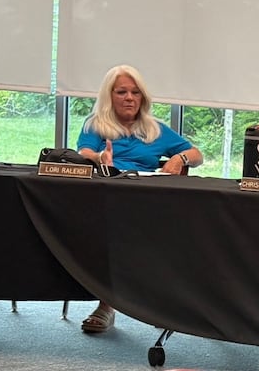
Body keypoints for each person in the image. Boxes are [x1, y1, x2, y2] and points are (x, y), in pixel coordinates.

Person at [76, 64, 203, 333]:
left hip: (147, 200)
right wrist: (100, 158)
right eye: (121, 92)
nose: (129, 98)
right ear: (109, 95)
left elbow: (197, 154)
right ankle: (107, 304)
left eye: (135, 92)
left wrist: (179, 158)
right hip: (107, 196)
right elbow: (83, 152)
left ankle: (151, 302)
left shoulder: (156, 129)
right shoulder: (95, 124)